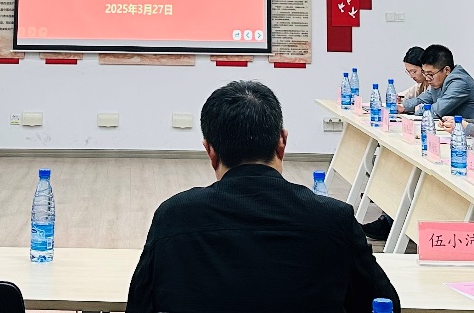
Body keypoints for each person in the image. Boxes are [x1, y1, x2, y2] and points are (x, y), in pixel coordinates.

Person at [126, 81, 400, 313]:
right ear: (282, 142)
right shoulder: (333, 218)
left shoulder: (174, 216)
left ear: (210, 151)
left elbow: (139, 305)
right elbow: (383, 303)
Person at [401, 44, 474, 121]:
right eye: (424, 73)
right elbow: (422, 99)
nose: (427, 78)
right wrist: (402, 107)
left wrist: (419, 110)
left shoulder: (460, 83)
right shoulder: (438, 81)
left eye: (430, 74)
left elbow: (437, 110)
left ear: (446, 70)